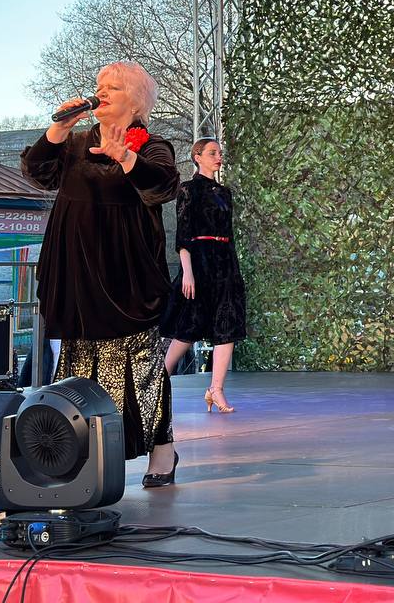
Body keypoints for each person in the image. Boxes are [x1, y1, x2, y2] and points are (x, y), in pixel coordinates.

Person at [21, 61, 181, 486]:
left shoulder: (152, 145)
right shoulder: (75, 143)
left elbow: (163, 186)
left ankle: (162, 451)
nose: (101, 92)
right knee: (77, 362)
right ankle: (80, 451)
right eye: (99, 86)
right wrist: (58, 128)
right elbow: (37, 173)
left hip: (125, 273)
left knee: (141, 366)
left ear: (136, 100)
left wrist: (125, 156)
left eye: (113, 87)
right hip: (76, 269)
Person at [162, 138, 246, 413]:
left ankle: (216, 390)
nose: (218, 157)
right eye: (212, 153)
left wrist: (234, 272)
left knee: (227, 325)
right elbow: (183, 234)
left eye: (219, 153)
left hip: (225, 263)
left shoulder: (225, 193)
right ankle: (158, 383)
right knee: (188, 326)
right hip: (199, 262)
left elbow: (229, 234)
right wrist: (187, 272)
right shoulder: (188, 189)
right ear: (197, 157)